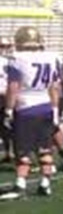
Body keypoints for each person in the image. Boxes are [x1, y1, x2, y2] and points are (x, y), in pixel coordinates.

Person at [3, 27, 62, 198]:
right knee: (45, 149)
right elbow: (54, 87)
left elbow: (14, 87)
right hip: (46, 106)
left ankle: (20, 184)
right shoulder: (51, 57)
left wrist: (8, 110)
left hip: (26, 107)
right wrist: (55, 110)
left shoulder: (17, 58)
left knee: (22, 150)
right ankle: (45, 183)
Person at [0, 36, 13, 166]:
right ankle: (8, 153)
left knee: (13, 127)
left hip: (8, 97)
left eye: (6, 46)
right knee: (3, 128)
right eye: (2, 46)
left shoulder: (11, 61)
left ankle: (25, 156)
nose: (4, 49)